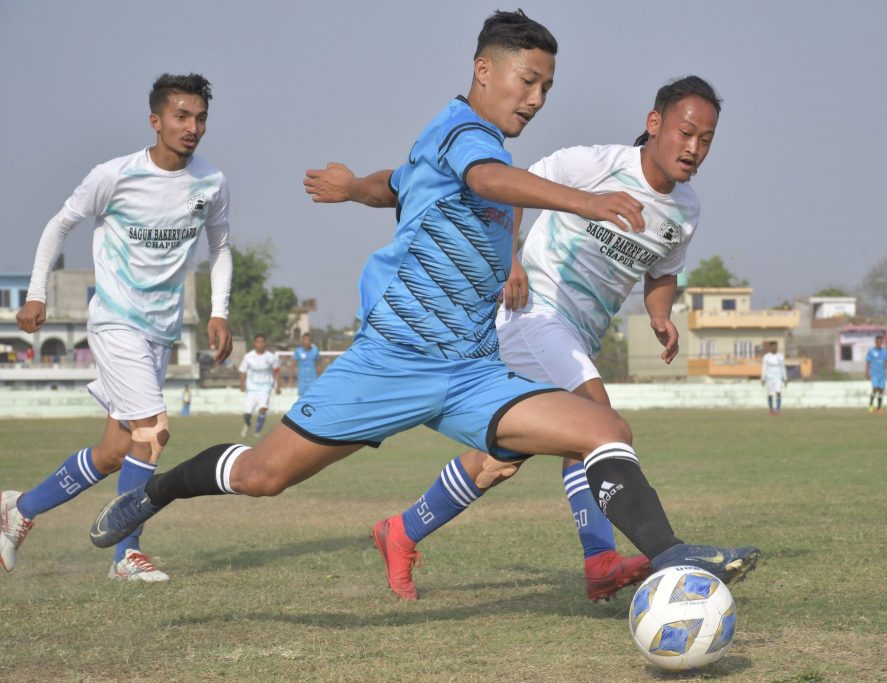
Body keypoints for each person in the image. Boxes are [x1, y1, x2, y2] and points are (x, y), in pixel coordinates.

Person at [90, 11, 758, 598]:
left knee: (605, 429)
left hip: (471, 371)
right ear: (484, 70)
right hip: (393, 360)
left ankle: (671, 557)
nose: (536, 99)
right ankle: (155, 492)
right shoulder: (462, 130)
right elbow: (486, 179)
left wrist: (355, 186)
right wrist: (587, 202)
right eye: (527, 81)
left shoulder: (468, 147)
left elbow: (402, 182)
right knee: (265, 475)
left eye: (547, 88)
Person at [306, 76, 719, 601]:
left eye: (706, 139)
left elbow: (663, 269)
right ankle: (603, 561)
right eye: (686, 132)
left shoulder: (686, 210)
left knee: (500, 458)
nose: (693, 147)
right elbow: (510, 186)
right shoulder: (594, 164)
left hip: (577, 336)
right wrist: (512, 260)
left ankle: (402, 531)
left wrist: (660, 314)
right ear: (654, 123)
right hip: (533, 313)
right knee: (597, 423)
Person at [2, 73, 233, 582]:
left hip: (161, 331)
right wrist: (37, 293)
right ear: (156, 121)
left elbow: (219, 247)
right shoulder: (114, 175)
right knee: (153, 432)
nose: (192, 127)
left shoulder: (211, 182)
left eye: (200, 118)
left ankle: (19, 508)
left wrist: (219, 310)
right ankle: (126, 555)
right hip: (115, 321)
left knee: (113, 452)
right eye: (181, 116)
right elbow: (60, 225)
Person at [239, 334, 281, 438]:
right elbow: (243, 371)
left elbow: (276, 371)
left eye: (262, 342)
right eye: (258, 342)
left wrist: (278, 386)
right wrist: (242, 384)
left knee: (263, 409)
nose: (260, 344)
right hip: (252, 388)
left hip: (265, 387)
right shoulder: (248, 356)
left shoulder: (271, 357)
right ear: (254, 343)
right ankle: (247, 424)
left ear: (265, 343)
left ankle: (257, 432)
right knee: (247, 414)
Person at [866, 335, 887, 413]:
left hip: (882, 374)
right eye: (878, 342)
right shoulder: (871, 351)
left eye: (881, 342)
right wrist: (867, 372)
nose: (879, 343)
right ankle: (870, 405)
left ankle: (879, 408)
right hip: (874, 373)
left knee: (881, 390)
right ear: (875, 342)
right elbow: (868, 362)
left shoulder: (884, 351)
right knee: (875, 388)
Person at [761, 341, 787, 415]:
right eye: (772, 347)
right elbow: (764, 367)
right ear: (770, 347)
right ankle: (771, 410)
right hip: (769, 378)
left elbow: (782, 367)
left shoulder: (780, 356)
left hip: (778, 377)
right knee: (770, 394)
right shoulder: (766, 357)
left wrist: (785, 378)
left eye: (775, 347)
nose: (774, 348)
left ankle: (778, 410)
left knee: (778, 392)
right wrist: (763, 378)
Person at [292, 333, 321, 397]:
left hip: (313, 378)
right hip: (302, 380)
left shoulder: (315, 351)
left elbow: (318, 364)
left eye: (308, 339)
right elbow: (293, 365)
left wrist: (319, 377)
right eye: (305, 339)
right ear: (302, 341)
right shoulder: (298, 351)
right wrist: (292, 379)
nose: (307, 341)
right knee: (302, 398)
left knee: (313, 397)